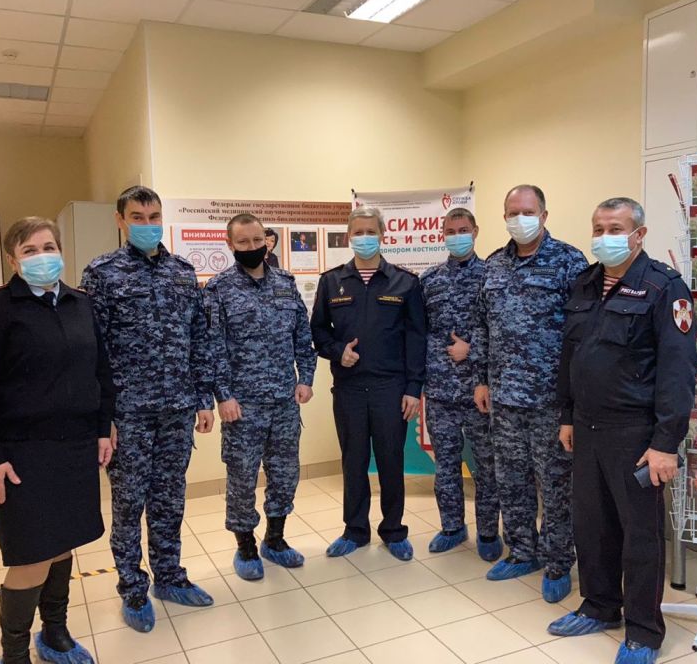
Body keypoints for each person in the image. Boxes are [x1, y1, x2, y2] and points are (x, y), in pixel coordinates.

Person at [0, 217, 114, 664]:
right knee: (30, 554)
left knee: (64, 543)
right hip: (21, 454)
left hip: (75, 447)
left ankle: (55, 631)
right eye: (29, 250)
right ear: (13, 259)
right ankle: (14, 653)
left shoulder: (81, 304)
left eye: (49, 247)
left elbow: (100, 372)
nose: (42, 256)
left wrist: (102, 428)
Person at [548, 197, 697, 664]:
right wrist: (567, 414)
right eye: (598, 228)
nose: (604, 236)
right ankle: (599, 605)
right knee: (591, 525)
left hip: (636, 433)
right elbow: (571, 357)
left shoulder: (664, 287)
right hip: (587, 426)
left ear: (639, 234)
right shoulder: (585, 283)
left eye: (615, 228)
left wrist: (665, 444)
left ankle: (644, 632)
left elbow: (678, 371)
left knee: (640, 535)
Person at [80, 186, 216, 632]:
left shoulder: (182, 272)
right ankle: (133, 589)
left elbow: (198, 340)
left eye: (153, 216)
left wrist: (203, 399)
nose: (147, 224)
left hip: (177, 407)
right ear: (120, 220)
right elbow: (93, 352)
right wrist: (104, 418)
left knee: (169, 498)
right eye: (137, 217)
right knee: (128, 503)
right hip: (128, 413)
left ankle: (169, 577)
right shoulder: (102, 273)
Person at [471, 185, 588, 602]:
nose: (519, 218)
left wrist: (573, 398)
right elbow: (481, 326)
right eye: (512, 212)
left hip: (550, 401)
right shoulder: (493, 265)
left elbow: (582, 331)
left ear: (543, 215)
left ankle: (558, 562)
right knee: (511, 480)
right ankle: (522, 551)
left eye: (527, 211)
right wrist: (481, 380)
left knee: (555, 487)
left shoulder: (569, 261)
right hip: (504, 398)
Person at [204, 213, 316, 580]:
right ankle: (246, 546)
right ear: (230, 244)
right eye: (243, 242)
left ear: (266, 242)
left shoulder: (285, 283)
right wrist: (224, 396)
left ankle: (275, 540)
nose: (252, 247)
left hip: (284, 401)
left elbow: (302, 336)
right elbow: (213, 348)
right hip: (243, 406)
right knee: (242, 478)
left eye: (257, 241)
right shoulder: (218, 289)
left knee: (285, 474)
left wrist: (306, 378)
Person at [310, 206, 426, 561]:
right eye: (358, 232)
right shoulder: (332, 282)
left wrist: (414, 388)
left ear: (382, 235)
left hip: (391, 388)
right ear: (348, 237)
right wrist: (337, 352)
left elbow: (416, 338)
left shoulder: (405, 282)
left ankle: (393, 531)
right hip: (348, 388)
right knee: (353, 461)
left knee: (391, 460)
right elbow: (318, 332)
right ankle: (355, 530)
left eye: (370, 232)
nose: (364, 238)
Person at [419, 208, 501, 560]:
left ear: (475, 231)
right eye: (450, 231)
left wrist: (472, 350)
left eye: (463, 229)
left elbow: (501, 329)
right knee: (446, 465)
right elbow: (419, 331)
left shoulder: (492, 276)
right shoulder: (429, 280)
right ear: (442, 234)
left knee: (487, 466)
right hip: (440, 391)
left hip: (481, 390)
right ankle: (452, 527)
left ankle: (488, 531)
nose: (457, 236)